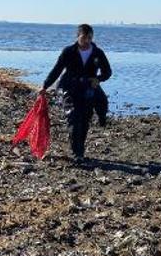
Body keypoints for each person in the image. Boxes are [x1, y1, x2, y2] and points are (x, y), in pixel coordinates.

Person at [39, 24, 112, 164]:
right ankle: (77, 153)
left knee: (86, 119)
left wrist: (98, 79)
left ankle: (82, 147)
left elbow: (107, 72)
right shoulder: (68, 51)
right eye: (84, 38)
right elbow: (57, 70)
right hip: (68, 87)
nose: (87, 41)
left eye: (90, 38)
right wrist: (45, 86)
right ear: (78, 37)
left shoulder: (98, 53)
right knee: (73, 118)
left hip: (88, 87)